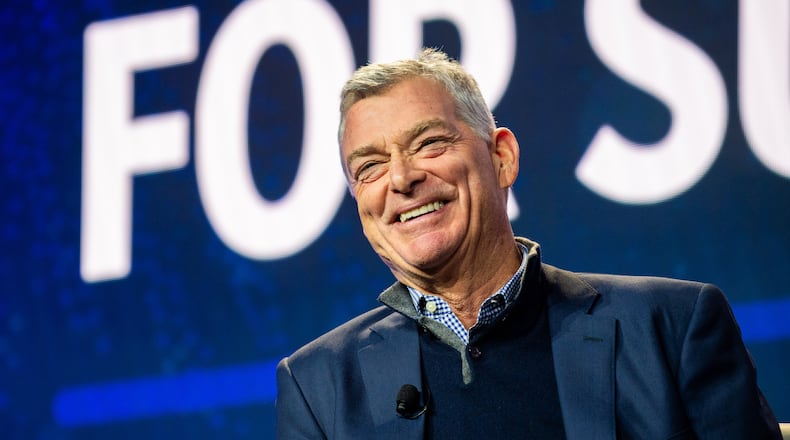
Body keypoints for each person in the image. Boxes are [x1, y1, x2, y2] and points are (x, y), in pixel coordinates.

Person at [275, 48, 781, 439]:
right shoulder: (317, 386)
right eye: (370, 167)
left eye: (429, 143)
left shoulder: (672, 327)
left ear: (502, 158)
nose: (401, 179)